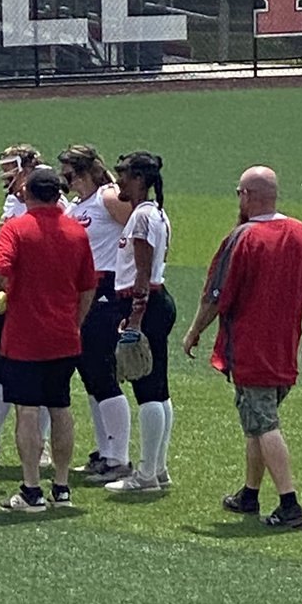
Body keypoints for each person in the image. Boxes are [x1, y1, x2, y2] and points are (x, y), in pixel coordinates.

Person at [182, 166, 302, 529]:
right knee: (255, 423)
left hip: (250, 349)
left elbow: (215, 296)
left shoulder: (242, 239)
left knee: (264, 424)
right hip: (284, 349)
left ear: (247, 196)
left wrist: (194, 331)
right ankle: (249, 492)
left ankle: (289, 503)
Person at [0, 166, 97, 512]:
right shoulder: (76, 231)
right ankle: (61, 487)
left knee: (27, 410)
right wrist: (75, 322)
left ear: (27, 193)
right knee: (61, 407)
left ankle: (31, 488)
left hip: (24, 336)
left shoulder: (16, 229)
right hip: (64, 336)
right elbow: (88, 286)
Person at [59, 144, 134, 484]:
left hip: (106, 287)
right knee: (89, 372)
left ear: (87, 171)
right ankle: (105, 451)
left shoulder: (108, 197)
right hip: (82, 289)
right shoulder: (78, 205)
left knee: (102, 370)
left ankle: (119, 457)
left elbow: (139, 228)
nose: (68, 181)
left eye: (71, 174)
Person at [103, 152, 176, 494]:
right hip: (155, 303)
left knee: (147, 390)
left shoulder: (143, 216)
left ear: (140, 179)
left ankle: (146, 474)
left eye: (124, 174)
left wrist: (135, 317)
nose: (118, 180)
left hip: (144, 305)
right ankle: (158, 469)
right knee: (159, 390)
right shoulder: (154, 212)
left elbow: (142, 272)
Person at [0, 143, 52, 468]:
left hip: (41, 296)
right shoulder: (13, 200)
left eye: (11, 166)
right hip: (14, 293)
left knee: (42, 376)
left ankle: (41, 445)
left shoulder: (50, 201)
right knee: (2, 372)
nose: (6, 174)